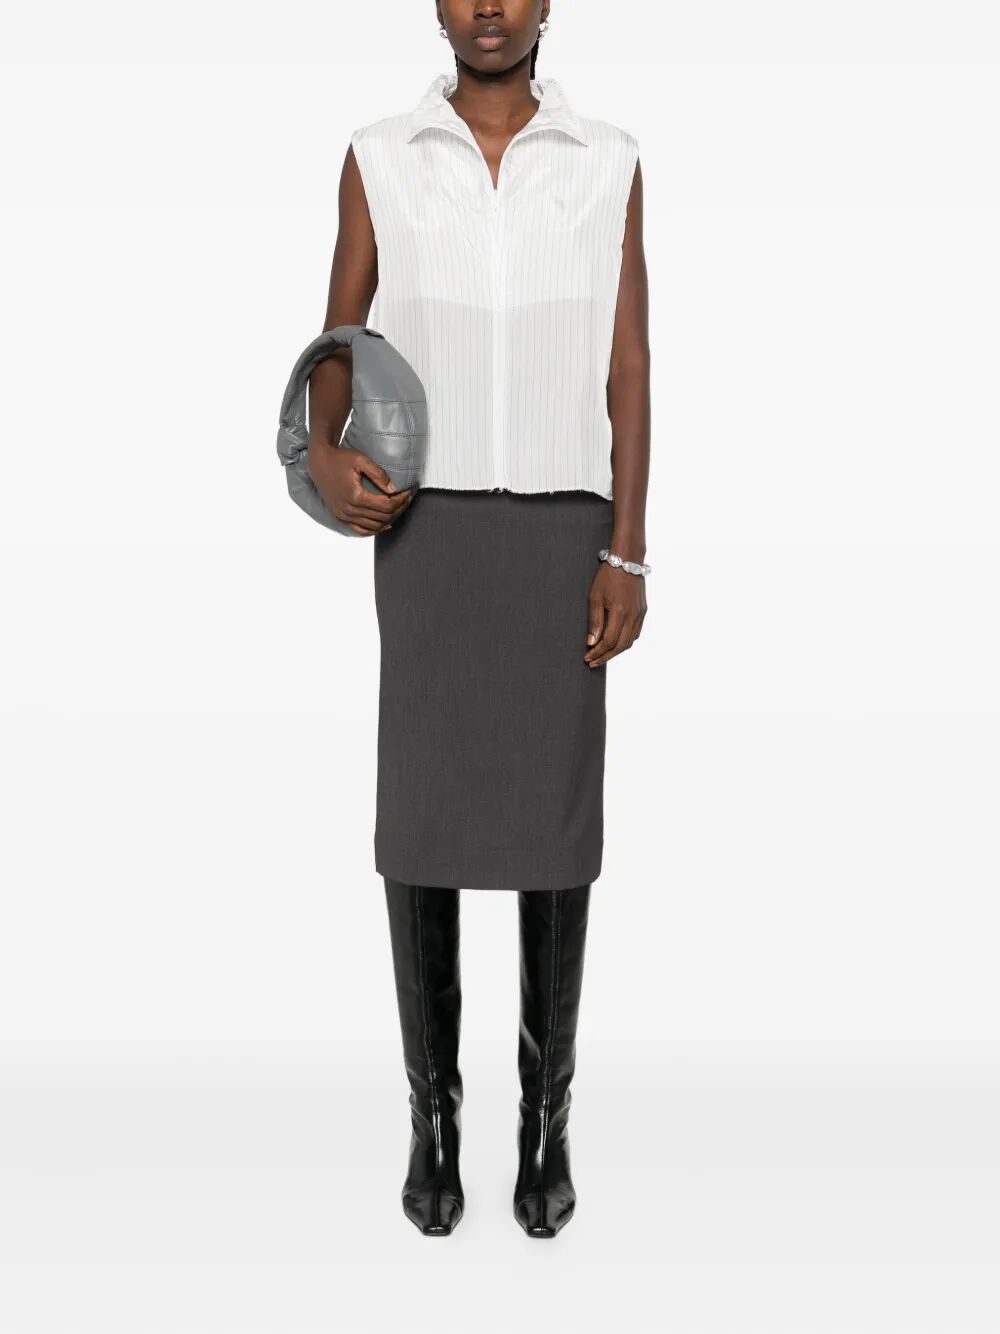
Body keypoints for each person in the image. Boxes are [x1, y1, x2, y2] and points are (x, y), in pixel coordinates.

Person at [304, 1, 649, 1238]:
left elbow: (627, 362)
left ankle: (545, 1122)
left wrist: (625, 546)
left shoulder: (607, 159)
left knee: (556, 828)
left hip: (563, 532)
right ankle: (433, 1118)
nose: (487, 7)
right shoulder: (378, 154)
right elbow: (338, 335)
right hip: (430, 532)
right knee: (423, 819)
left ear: (548, 3)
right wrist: (324, 445)